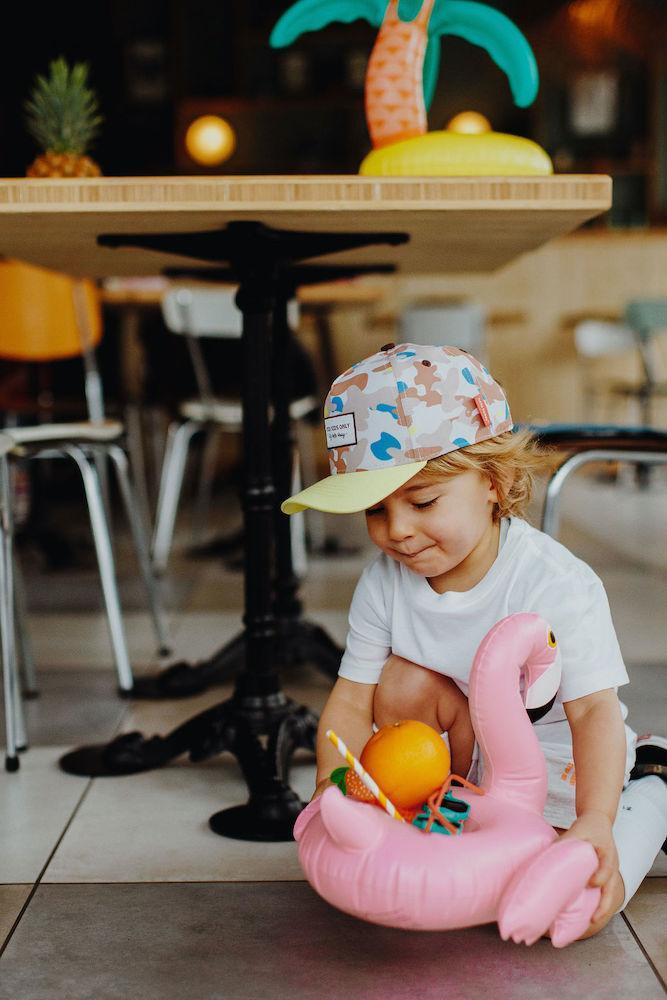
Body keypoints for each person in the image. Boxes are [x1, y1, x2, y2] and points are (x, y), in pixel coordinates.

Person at [281, 342, 667, 940]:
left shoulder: (555, 583)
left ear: (495, 480)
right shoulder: (384, 581)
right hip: (472, 757)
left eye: (422, 501)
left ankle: (655, 785)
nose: (397, 531)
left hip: (561, 759)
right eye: (374, 510)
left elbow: (591, 710)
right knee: (400, 680)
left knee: (577, 907)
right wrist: (335, 790)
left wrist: (594, 821)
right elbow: (354, 703)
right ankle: (450, 804)